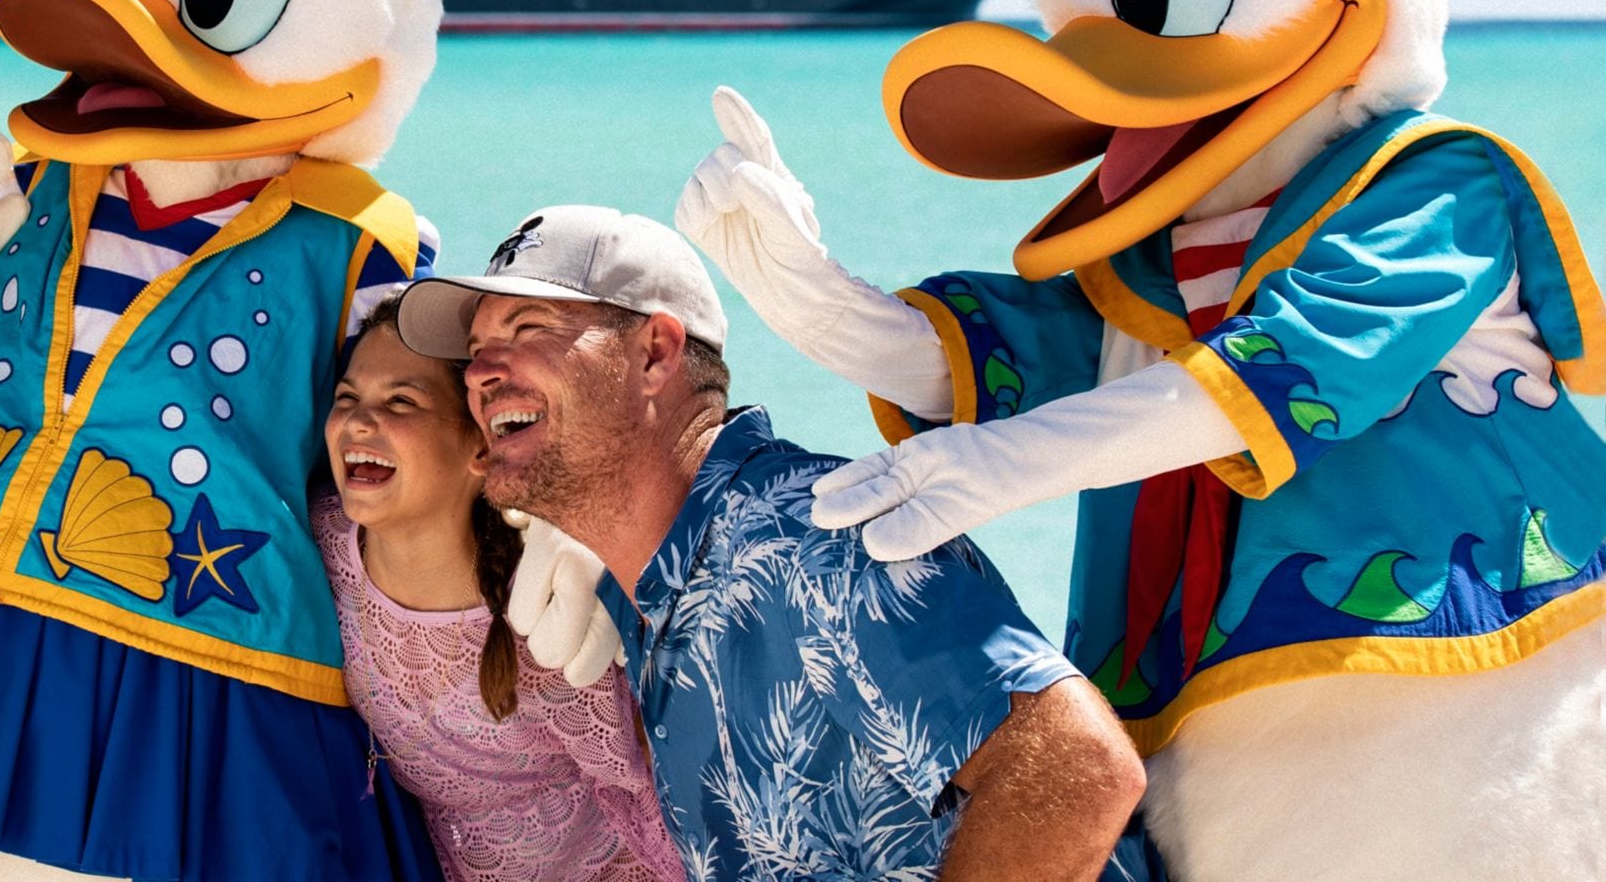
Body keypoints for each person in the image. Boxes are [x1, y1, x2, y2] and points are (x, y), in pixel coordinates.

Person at [396, 206, 1152, 882]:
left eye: (528, 331)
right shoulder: (654, 606)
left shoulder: (810, 536)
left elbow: (1079, 770)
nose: (482, 374)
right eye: (475, 350)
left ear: (656, 354)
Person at [317, 298, 684, 882]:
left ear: (482, 449)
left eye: (401, 402)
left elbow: (641, 798)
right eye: (346, 398)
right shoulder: (322, 545)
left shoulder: (548, 615)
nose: (360, 422)